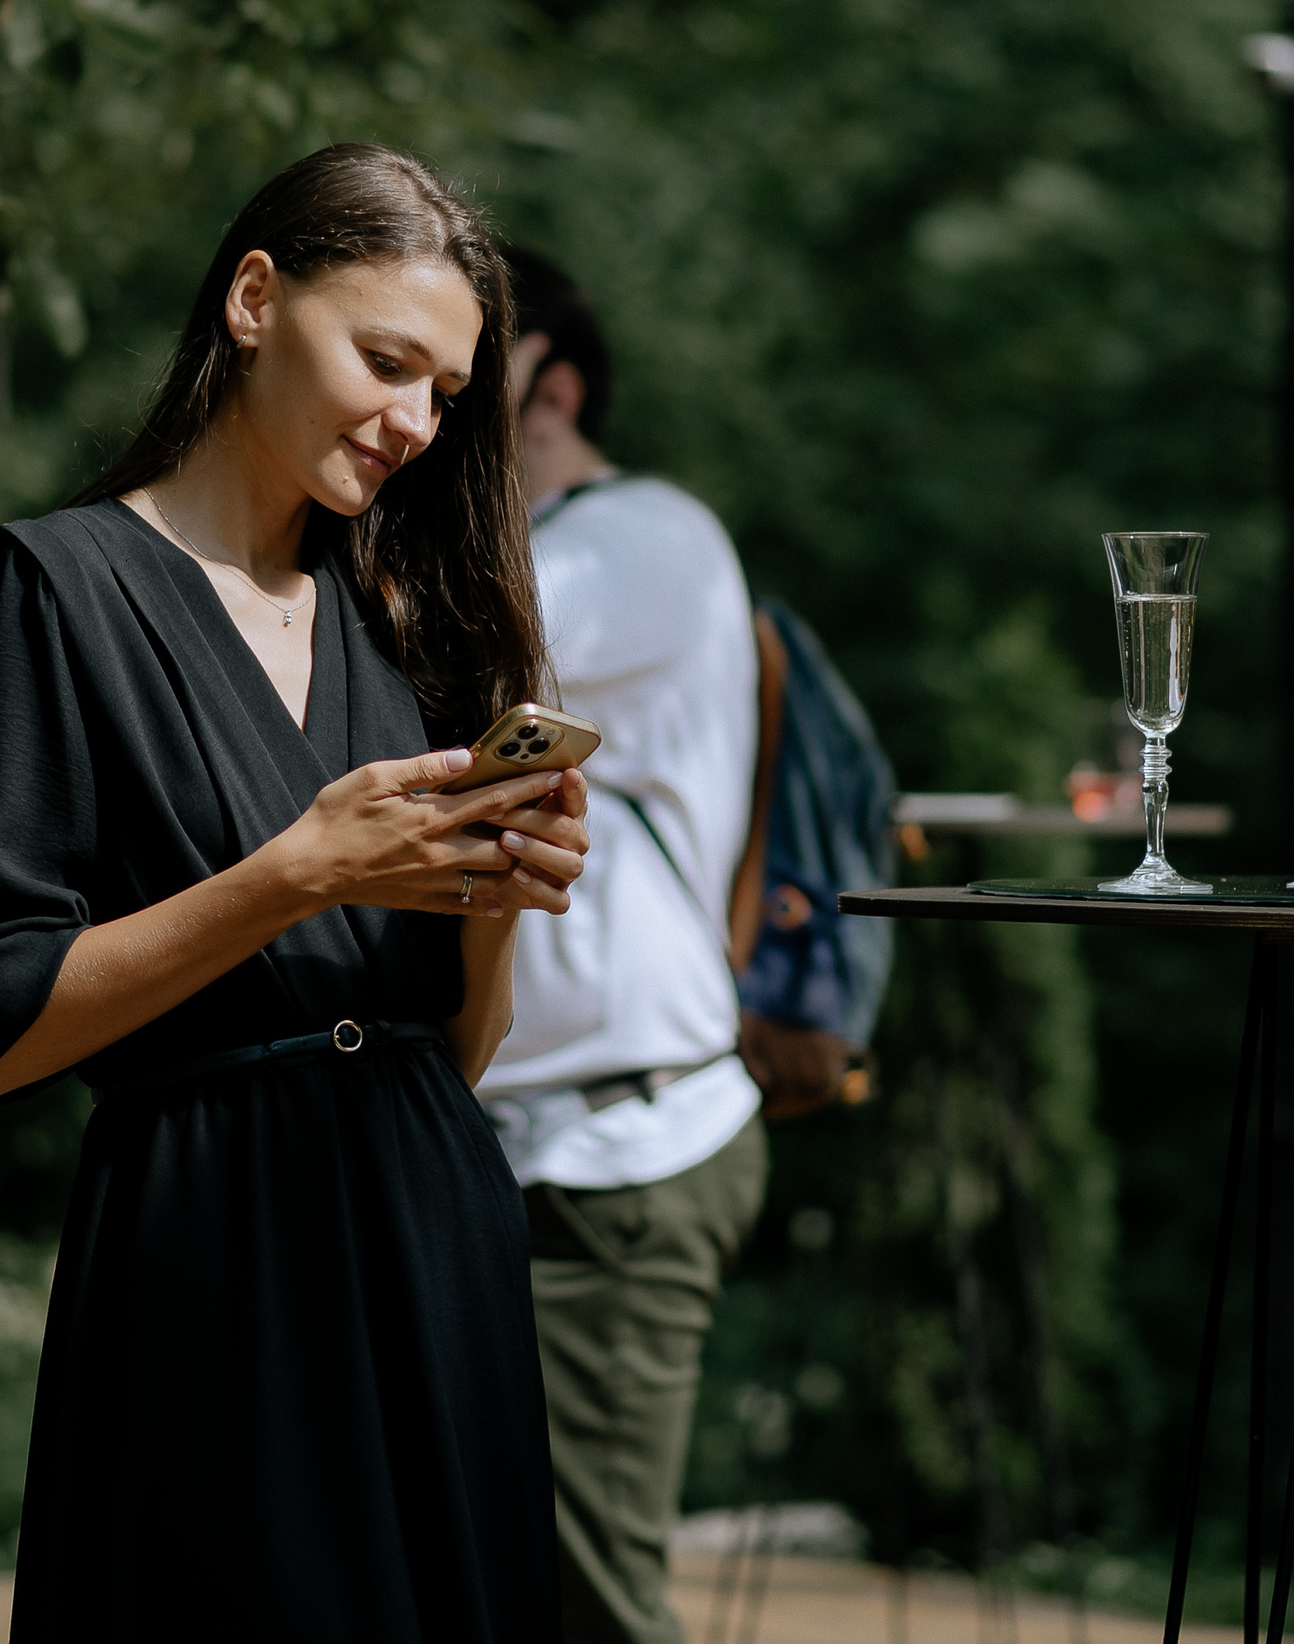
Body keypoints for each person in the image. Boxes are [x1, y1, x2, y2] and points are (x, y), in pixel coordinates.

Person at [0, 144, 585, 1643]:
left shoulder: (412, 625)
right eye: (388, 362)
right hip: (212, 1256)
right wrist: (294, 876)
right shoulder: (52, 591)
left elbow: (453, 1054)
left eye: (447, 394)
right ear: (257, 297)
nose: (415, 423)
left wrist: (489, 896)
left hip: (437, 1240)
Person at [477, 250, 766, 1644]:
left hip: (617, 1161)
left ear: (554, 385)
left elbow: (460, 654)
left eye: (467, 367)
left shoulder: (647, 534)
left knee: (593, 1613)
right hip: (519, 1150)